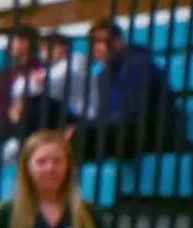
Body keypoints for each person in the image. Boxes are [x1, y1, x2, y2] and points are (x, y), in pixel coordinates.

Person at [77, 18, 179, 161]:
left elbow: (134, 113)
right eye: (93, 43)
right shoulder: (102, 77)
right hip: (120, 130)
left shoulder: (140, 66)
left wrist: (89, 126)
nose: (97, 47)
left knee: (82, 136)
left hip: (151, 133)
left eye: (102, 41)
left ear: (119, 42)